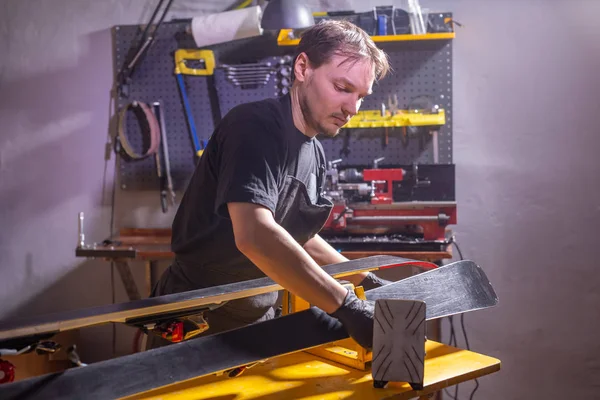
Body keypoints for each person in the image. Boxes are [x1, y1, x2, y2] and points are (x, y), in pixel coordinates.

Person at [149, 19, 391, 350]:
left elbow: (297, 237)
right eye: (343, 88)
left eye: (361, 96)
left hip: (255, 316)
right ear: (303, 67)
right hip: (198, 316)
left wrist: (366, 279)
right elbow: (256, 235)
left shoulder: (315, 152)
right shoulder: (254, 127)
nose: (352, 108)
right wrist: (345, 305)